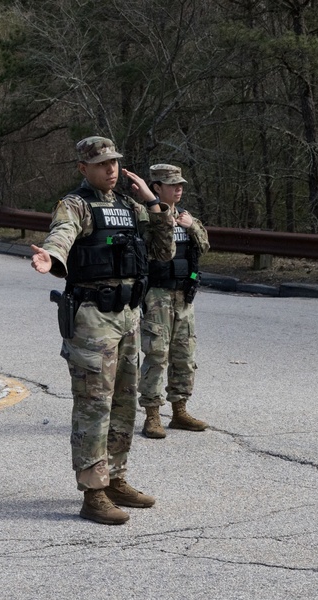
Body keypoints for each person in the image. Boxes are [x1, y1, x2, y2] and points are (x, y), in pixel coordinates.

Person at [30, 136, 174, 525]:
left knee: (124, 402)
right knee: (95, 405)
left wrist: (153, 202)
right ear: (83, 168)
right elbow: (62, 235)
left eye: (114, 162)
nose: (110, 169)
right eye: (101, 164)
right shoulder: (75, 204)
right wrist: (52, 256)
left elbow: (164, 252)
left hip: (128, 315)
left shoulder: (129, 206)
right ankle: (93, 492)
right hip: (93, 318)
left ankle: (116, 479)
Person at [138, 163, 211, 438]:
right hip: (157, 293)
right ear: (156, 188)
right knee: (157, 354)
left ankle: (179, 410)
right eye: (172, 185)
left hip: (184, 294)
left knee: (184, 355)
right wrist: (166, 219)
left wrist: (192, 227)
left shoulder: (186, 216)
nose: (179, 189)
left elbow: (204, 246)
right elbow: (158, 251)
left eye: (181, 185)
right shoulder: (146, 218)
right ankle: (152, 415)